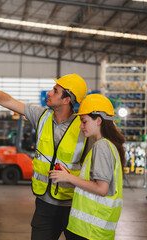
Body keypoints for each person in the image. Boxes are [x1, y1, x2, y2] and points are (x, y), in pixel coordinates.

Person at [0, 59, 92, 240]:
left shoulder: (84, 127)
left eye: (55, 91)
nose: (49, 93)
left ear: (67, 100)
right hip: (44, 205)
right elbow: (7, 101)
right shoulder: (41, 116)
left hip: (74, 207)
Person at [49, 94, 126, 240]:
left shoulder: (102, 146)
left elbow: (101, 188)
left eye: (84, 121)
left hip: (89, 231)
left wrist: (69, 177)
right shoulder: (109, 146)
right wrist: (69, 175)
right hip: (93, 231)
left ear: (98, 120)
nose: (80, 126)